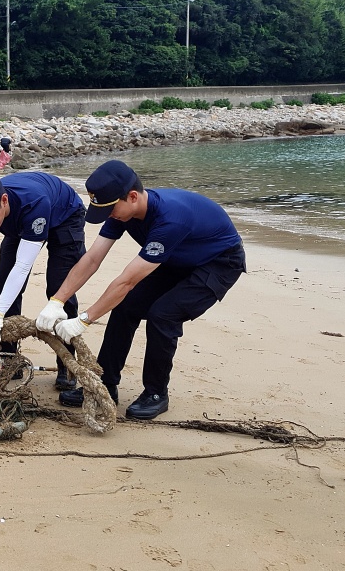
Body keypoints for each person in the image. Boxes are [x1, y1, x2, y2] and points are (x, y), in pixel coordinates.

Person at [35, 160, 246, 420]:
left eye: (111, 208)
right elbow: (92, 259)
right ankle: (106, 384)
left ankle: (156, 393)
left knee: (163, 315)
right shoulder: (122, 211)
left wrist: (84, 320)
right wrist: (57, 300)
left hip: (218, 263)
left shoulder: (170, 219)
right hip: (177, 259)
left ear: (132, 197)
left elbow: (127, 281)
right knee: (125, 307)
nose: (109, 214)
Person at [0, 173, 87, 393]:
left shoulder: (34, 203)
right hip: (18, 224)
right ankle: (9, 358)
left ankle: (66, 363)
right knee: (3, 281)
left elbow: (23, 266)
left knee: (58, 289)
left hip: (63, 215)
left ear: (4, 202)